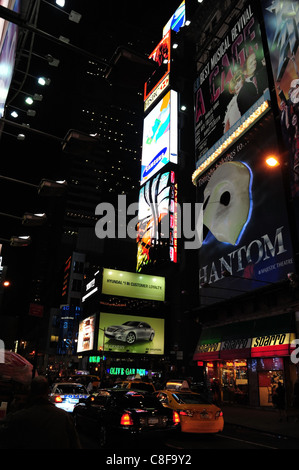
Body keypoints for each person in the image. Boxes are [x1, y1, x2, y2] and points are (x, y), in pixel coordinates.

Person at [0, 376, 82, 449]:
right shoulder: (64, 417)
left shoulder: (18, 417)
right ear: (48, 392)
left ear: (30, 392)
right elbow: (75, 444)